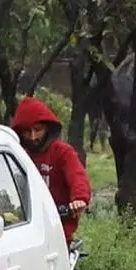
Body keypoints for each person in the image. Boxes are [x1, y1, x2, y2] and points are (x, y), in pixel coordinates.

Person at [10, 96, 92, 241]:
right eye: (27, 131)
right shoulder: (16, 153)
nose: (33, 137)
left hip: (58, 231)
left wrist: (79, 199)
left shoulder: (62, 152)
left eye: (38, 130)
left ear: (47, 128)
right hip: (21, 231)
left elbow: (77, 176)